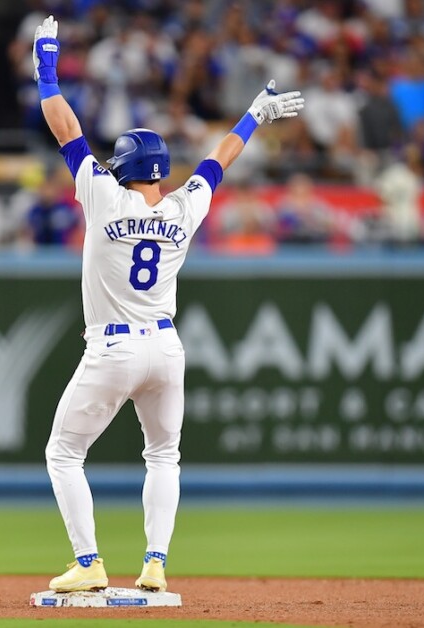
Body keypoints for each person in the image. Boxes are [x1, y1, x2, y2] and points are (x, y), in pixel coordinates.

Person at [32, 16, 302, 594]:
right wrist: (255, 113)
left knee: (63, 453)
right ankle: (155, 562)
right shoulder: (185, 208)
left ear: (122, 167)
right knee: (163, 456)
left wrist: (47, 66)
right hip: (165, 348)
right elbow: (218, 161)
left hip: (112, 348)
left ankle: (88, 564)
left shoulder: (102, 194)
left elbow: (64, 124)